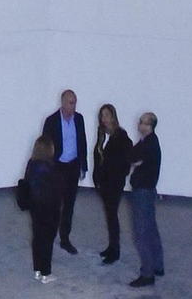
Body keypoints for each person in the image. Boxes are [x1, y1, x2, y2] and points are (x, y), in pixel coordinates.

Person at [40, 87, 86, 252]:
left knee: (69, 204)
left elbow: (82, 142)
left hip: (73, 166)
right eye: (71, 103)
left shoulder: (79, 119)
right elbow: (45, 147)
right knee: (54, 203)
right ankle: (49, 235)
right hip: (57, 167)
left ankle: (65, 238)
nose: (74, 106)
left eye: (75, 103)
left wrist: (83, 165)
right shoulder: (51, 121)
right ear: (63, 103)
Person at [92, 104, 133, 264]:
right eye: (102, 116)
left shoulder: (121, 136)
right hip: (104, 182)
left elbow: (125, 160)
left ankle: (115, 250)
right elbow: (98, 156)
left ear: (113, 117)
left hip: (114, 183)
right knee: (109, 215)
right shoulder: (102, 135)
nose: (104, 119)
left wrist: (118, 174)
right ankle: (111, 246)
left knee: (112, 215)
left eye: (107, 115)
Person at [128, 111, 163, 287]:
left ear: (149, 126)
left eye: (142, 122)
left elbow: (133, 157)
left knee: (141, 233)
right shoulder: (149, 141)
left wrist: (134, 162)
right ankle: (158, 265)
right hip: (148, 190)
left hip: (142, 191)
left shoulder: (148, 145)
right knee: (151, 229)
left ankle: (148, 274)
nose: (139, 124)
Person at [22, 134, 60, 283]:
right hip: (49, 208)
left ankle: (37, 269)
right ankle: (46, 272)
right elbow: (56, 189)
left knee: (37, 237)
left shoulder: (31, 164)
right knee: (47, 239)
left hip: (35, 206)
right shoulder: (50, 167)